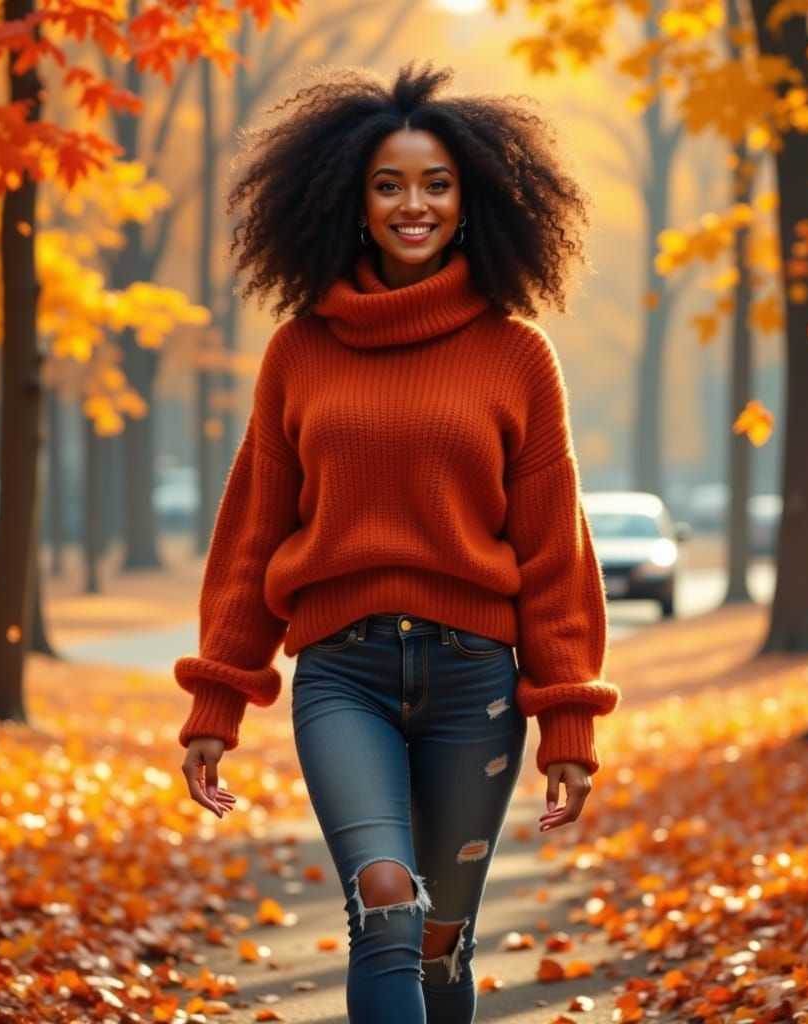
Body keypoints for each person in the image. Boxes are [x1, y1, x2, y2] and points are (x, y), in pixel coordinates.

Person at [177, 61, 620, 1024]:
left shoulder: (517, 352)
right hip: (345, 675)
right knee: (384, 900)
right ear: (350, 200)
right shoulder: (300, 349)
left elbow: (552, 549)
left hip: (476, 685)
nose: (411, 204)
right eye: (388, 184)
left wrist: (568, 719)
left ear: (472, 201)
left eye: (435, 183)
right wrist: (219, 694)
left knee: (436, 942)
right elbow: (255, 532)